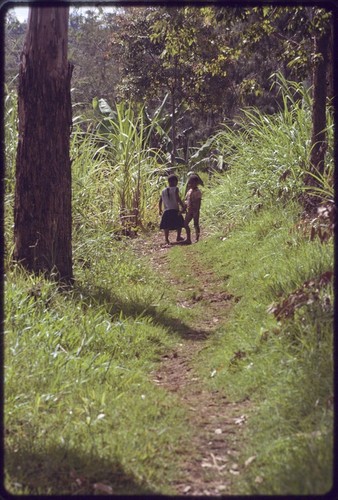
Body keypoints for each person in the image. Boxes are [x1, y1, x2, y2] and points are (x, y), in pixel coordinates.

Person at [159, 174, 186, 245]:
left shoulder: (163, 190)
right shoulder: (175, 189)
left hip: (166, 210)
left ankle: (166, 239)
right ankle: (178, 236)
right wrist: (183, 206)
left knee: (166, 226)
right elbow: (177, 198)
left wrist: (160, 209)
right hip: (174, 209)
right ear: (174, 182)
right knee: (179, 223)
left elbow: (160, 200)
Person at [184, 174, 202, 244]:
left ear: (196, 183)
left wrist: (196, 210)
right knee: (185, 223)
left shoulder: (198, 192)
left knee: (196, 224)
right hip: (189, 210)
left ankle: (197, 238)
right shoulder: (189, 191)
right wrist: (184, 209)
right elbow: (186, 201)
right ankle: (188, 238)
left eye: (192, 183)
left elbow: (198, 202)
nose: (190, 184)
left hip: (195, 210)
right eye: (189, 182)